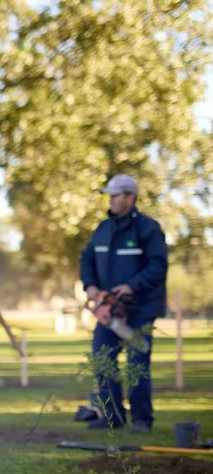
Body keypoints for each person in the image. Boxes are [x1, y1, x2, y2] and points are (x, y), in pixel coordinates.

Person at [80, 174, 167, 433]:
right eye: (110, 195)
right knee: (102, 358)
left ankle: (142, 420)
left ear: (131, 197)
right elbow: (86, 260)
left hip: (140, 311)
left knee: (137, 363)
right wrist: (91, 288)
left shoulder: (148, 229)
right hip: (109, 312)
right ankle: (113, 417)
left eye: (116, 195)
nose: (112, 200)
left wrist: (132, 286)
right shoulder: (103, 229)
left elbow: (158, 265)